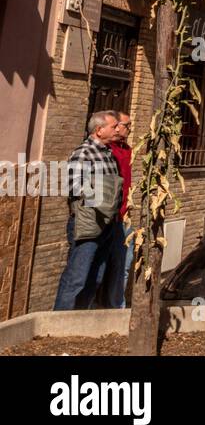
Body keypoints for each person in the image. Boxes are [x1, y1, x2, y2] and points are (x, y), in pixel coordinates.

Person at [54, 111, 122, 311]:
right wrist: (102, 198)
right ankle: (60, 322)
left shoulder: (108, 153)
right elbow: (74, 186)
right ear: (99, 130)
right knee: (77, 276)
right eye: (113, 126)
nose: (117, 129)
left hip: (106, 223)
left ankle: (81, 318)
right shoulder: (83, 153)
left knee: (96, 274)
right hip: (88, 222)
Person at [97, 111, 133, 309]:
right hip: (107, 218)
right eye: (126, 125)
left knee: (122, 267)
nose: (128, 129)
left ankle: (116, 308)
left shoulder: (127, 149)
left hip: (124, 217)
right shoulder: (105, 151)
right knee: (100, 267)